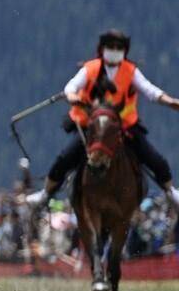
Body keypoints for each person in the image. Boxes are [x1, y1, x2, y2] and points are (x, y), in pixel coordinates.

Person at [26, 29, 179, 206]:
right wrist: (71, 96)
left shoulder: (131, 71)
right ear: (102, 48)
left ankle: (170, 192)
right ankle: (46, 194)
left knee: (155, 159)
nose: (114, 50)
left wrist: (171, 101)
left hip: (124, 127)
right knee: (65, 158)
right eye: (111, 46)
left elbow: (150, 91)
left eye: (118, 47)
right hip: (92, 127)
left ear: (124, 51)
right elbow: (71, 86)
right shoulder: (90, 69)